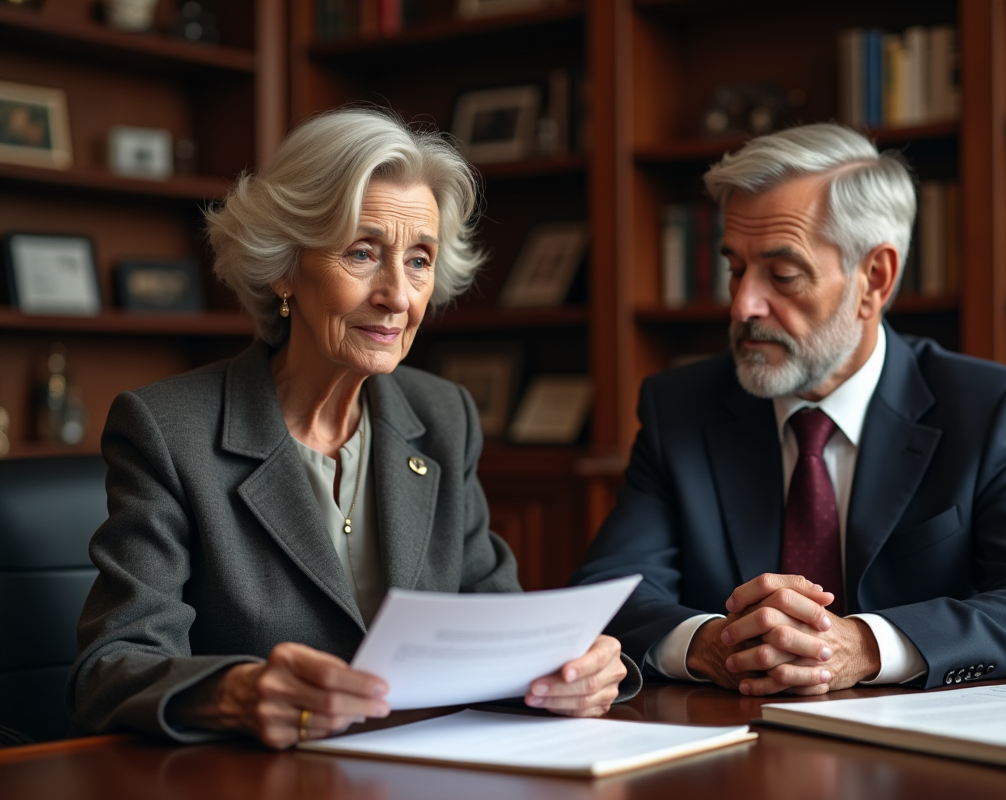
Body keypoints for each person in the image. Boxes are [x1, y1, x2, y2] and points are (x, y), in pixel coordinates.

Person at [67, 109, 633, 748]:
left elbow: (492, 618)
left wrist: (570, 668)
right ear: (284, 266)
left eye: (419, 259)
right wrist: (238, 693)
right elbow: (110, 669)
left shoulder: (443, 416)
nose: (398, 294)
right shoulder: (170, 431)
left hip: (433, 770)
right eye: (363, 252)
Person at [571, 123, 1006, 697]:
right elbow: (609, 593)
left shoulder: (986, 408)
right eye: (735, 268)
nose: (744, 304)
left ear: (874, 278)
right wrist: (712, 644)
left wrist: (863, 646)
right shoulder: (679, 406)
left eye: (783, 274)